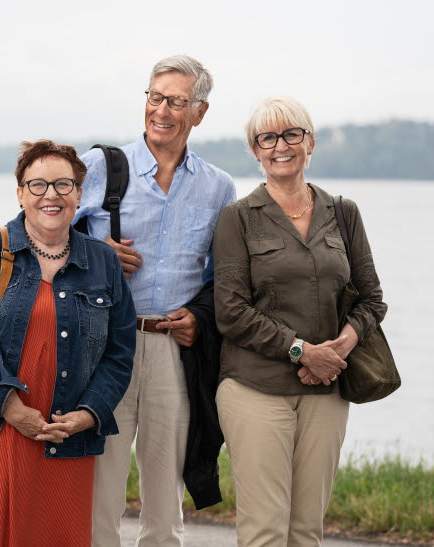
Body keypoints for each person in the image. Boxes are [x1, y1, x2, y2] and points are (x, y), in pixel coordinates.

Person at [0, 140, 136, 547]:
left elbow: (120, 352)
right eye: (38, 184)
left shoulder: (102, 261)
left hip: (66, 434)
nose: (51, 195)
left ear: (78, 194)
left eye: (63, 184)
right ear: (20, 193)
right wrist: (11, 407)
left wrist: (89, 414)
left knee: (57, 534)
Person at [75, 55, 236, 547]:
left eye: (177, 102)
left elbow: (224, 279)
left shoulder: (219, 187)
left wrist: (199, 320)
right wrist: (96, 252)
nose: (162, 110)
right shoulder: (99, 167)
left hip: (173, 352)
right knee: (99, 499)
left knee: (166, 507)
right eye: (155, 97)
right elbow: (41, 232)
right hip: (107, 347)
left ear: (200, 112)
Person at [213, 97, 388, 546]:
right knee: (265, 531)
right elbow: (230, 311)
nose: (281, 146)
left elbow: (371, 300)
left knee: (307, 531)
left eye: (292, 134)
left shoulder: (343, 213)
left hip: (326, 390)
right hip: (255, 388)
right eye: (268, 138)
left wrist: (337, 350)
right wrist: (302, 351)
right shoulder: (237, 218)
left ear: (310, 142)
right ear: (255, 150)